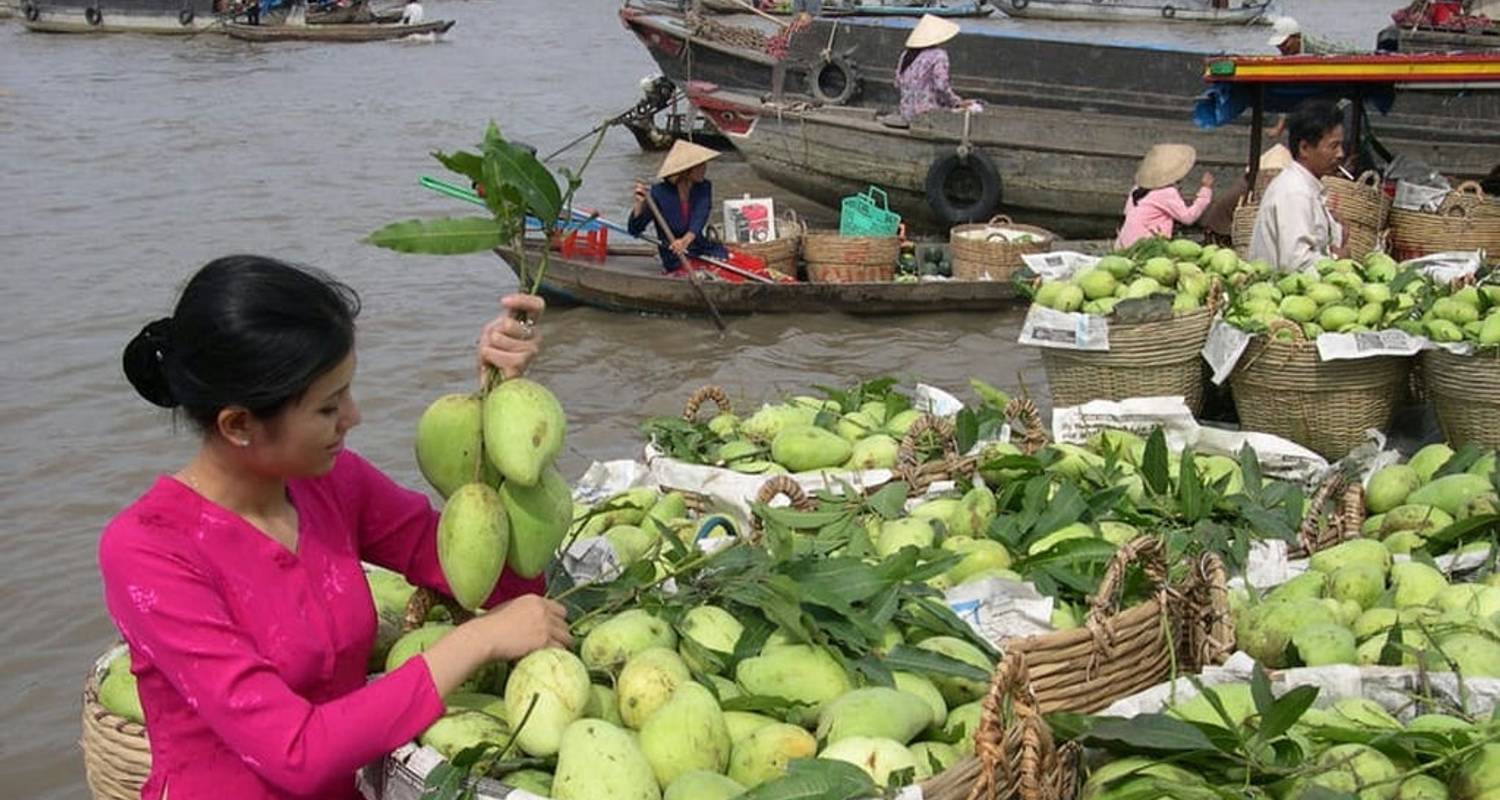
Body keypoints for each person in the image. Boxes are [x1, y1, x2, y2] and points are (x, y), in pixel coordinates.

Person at [100, 256, 569, 800]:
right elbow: (294, 752)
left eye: (347, 391)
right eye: (328, 407)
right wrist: (479, 640)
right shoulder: (150, 551)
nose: (354, 416)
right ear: (239, 424)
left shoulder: (331, 482)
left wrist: (503, 416)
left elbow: (500, 583)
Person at [1250, 99, 1348, 272]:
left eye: (1341, 145)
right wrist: (1338, 259)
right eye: (1333, 146)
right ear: (1304, 148)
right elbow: (1297, 263)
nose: (1341, 154)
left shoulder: (1306, 188)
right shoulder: (1295, 192)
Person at [627, 140, 730, 273]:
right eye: (700, 165)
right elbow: (634, 230)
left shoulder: (704, 187)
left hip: (699, 247)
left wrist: (685, 240)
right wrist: (639, 204)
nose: (705, 168)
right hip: (675, 255)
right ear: (686, 171)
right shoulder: (659, 193)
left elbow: (701, 214)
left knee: (732, 262)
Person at [1115, 143, 1215, 250]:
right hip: (1146, 246)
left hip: (1124, 243)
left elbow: (1128, 212)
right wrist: (1206, 190)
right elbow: (1188, 217)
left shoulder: (1137, 188)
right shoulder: (1167, 192)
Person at [895, 14, 972, 122]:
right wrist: (957, 102)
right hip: (929, 115)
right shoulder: (938, 55)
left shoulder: (906, 55)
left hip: (906, 114)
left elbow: (898, 83)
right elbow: (941, 87)